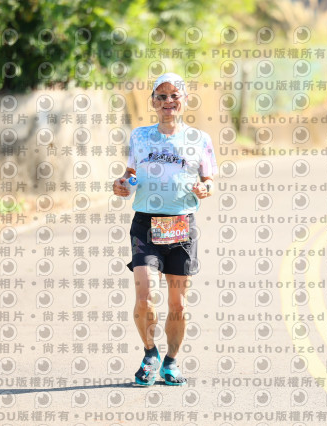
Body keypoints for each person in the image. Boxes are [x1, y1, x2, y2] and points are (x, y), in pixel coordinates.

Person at [112, 72, 217, 386]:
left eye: (174, 95)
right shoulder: (140, 137)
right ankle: (149, 354)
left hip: (181, 225)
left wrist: (205, 189)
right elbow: (131, 174)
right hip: (145, 224)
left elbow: (209, 179)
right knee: (145, 296)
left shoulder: (200, 139)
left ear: (185, 100)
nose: (168, 101)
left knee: (178, 304)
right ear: (153, 102)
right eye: (161, 96)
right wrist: (122, 184)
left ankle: (170, 362)